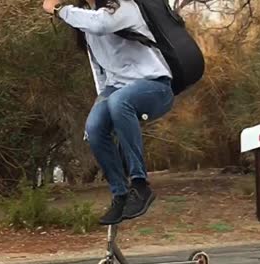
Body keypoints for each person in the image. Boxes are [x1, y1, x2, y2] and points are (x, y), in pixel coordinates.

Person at [43, 0, 174, 225]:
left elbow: (101, 24)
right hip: (116, 90)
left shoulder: (124, 7)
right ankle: (120, 195)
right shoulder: (86, 20)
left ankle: (140, 185)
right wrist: (100, 109)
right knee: (94, 128)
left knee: (118, 101)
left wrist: (58, 10)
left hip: (155, 86)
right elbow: (99, 70)